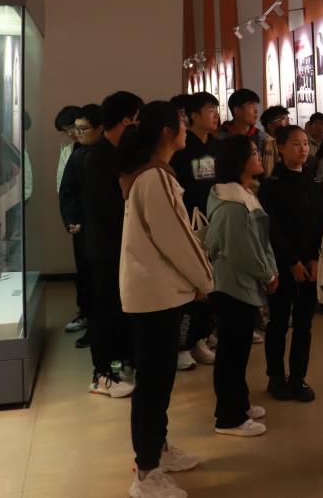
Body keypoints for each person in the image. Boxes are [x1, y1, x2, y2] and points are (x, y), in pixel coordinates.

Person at [117, 100, 215, 498]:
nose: (187, 128)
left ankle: (157, 449)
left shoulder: (149, 174)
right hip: (154, 296)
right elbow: (176, 237)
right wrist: (205, 279)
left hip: (156, 292)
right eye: (181, 123)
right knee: (153, 385)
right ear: (166, 131)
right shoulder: (154, 177)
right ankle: (146, 472)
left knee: (158, 381)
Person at [205, 135, 278, 437]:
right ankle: (229, 417)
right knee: (232, 352)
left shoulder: (242, 194)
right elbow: (243, 249)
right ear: (238, 161)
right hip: (232, 285)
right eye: (253, 152)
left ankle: (240, 403)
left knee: (239, 349)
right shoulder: (232, 204)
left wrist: (269, 270)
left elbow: (260, 240)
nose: (259, 156)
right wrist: (267, 274)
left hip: (242, 283)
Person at [258, 125, 323, 401]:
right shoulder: (271, 186)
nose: (303, 149)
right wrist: (291, 262)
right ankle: (276, 377)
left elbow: (321, 223)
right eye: (296, 144)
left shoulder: (315, 182)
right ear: (281, 148)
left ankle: (298, 378)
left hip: (310, 266)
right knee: (278, 323)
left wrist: (315, 258)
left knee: (304, 325)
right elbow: (273, 229)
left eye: (305, 144)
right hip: (282, 267)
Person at [82, 91, 143, 398]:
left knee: (122, 310)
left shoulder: (123, 152)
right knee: (106, 311)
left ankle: (120, 366)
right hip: (107, 249)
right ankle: (102, 374)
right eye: (136, 120)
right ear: (126, 121)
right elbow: (111, 208)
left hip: (124, 246)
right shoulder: (96, 157)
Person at [169, 91, 221, 370]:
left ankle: (200, 338)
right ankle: (181, 345)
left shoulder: (217, 146)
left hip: (214, 221)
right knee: (191, 285)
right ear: (193, 116)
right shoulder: (182, 148)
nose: (215, 115)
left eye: (215, 109)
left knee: (211, 283)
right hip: (189, 223)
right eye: (209, 110)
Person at [59, 104, 103, 347]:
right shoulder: (77, 153)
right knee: (88, 278)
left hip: (109, 230)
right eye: (72, 129)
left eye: (80, 129)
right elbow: (67, 191)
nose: (74, 134)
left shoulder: (110, 151)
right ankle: (92, 325)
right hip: (86, 228)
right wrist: (72, 220)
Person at [218, 88, 266, 155]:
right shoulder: (220, 136)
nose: (256, 111)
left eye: (256, 106)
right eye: (251, 106)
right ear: (237, 110)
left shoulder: (262, 138)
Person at [55, 105, 81, 194]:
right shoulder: (67, 151)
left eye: (71, 127)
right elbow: (60, 182)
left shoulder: (97, 146)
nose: (70, 133)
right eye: (65, 130)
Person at [259, 105, 290, 178]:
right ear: (270, 125)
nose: (288, 123)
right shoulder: (266, 142)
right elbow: (268, 173)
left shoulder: (282, 141)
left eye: (288, 119)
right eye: (283, 119)